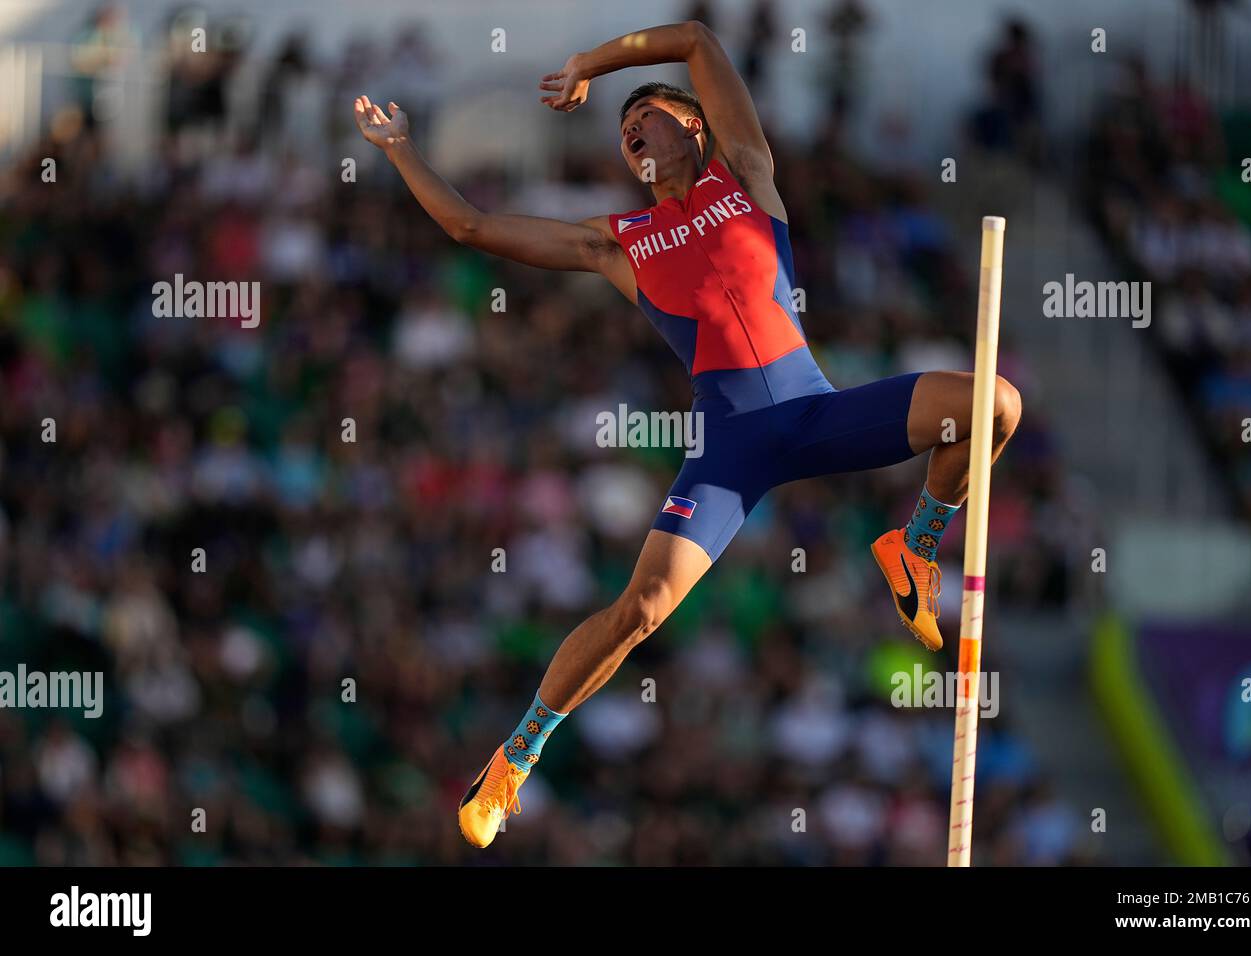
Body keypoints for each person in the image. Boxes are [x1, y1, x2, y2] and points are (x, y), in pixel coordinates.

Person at [353, 19, 1022, 849]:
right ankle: (515, 758)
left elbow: (699, 40)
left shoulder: (746, 174)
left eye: (649, 117)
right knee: (640, 609)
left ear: (694, 126)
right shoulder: (616, 242)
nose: (631, 129)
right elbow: (470, 226)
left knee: (994, 405)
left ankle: (915, 546)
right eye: (624, 129)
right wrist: (399, 149)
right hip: (731, 447)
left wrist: (592, 65)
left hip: (816, 412)